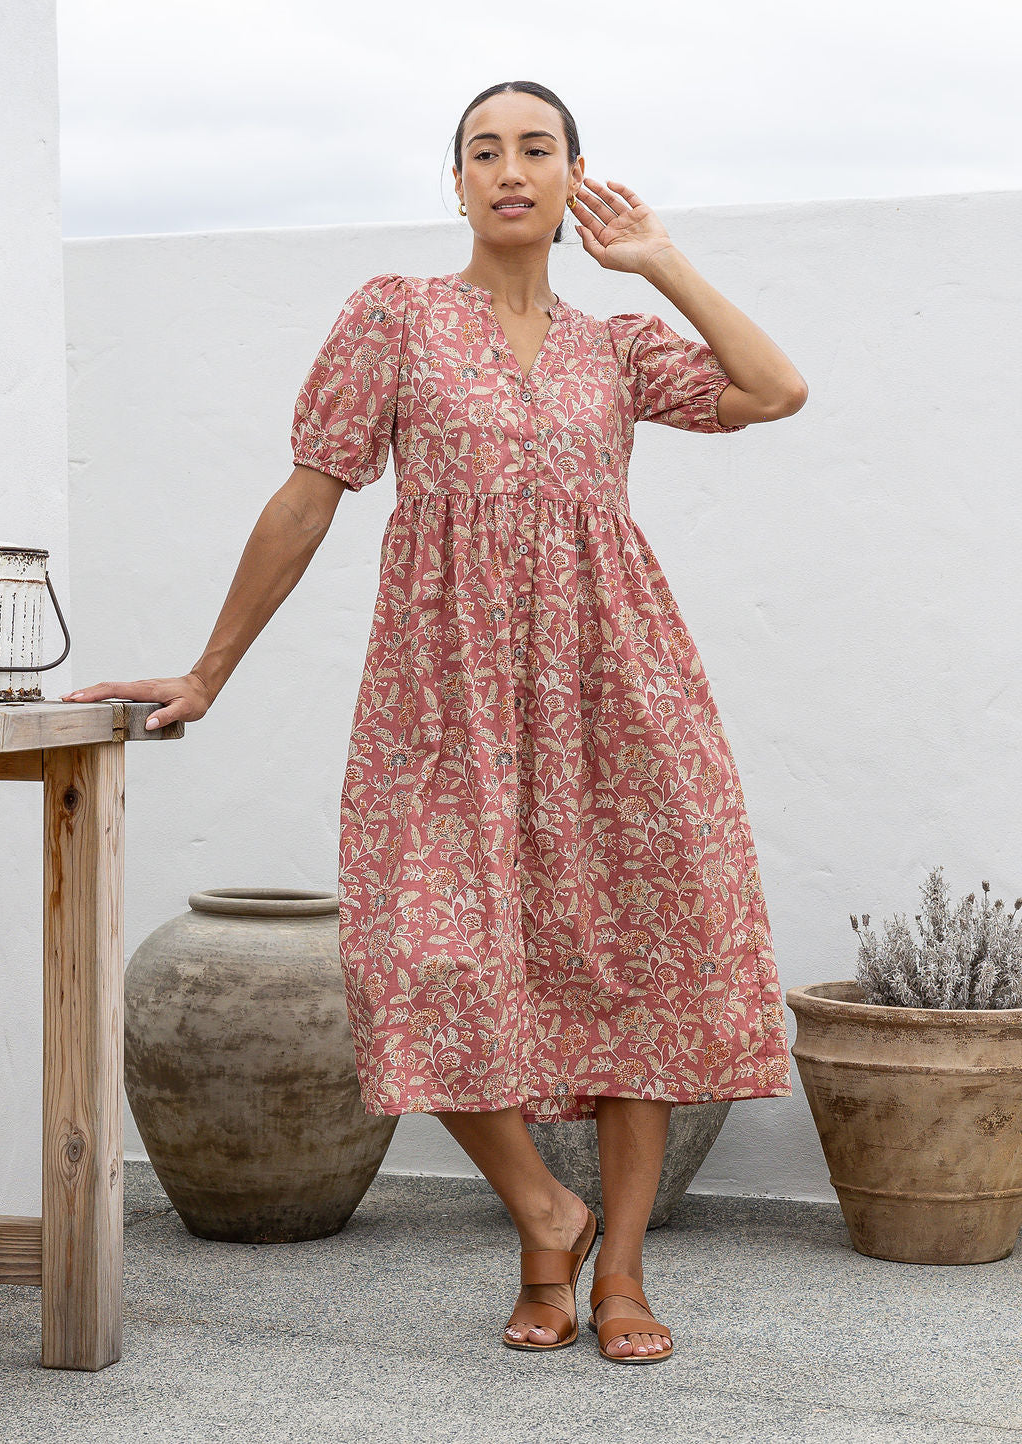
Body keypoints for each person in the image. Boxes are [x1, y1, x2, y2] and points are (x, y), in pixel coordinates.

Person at [62, 79, 807, 1364]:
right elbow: (310, 495)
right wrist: (210, 670)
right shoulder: (395, 318)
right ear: (452, 182)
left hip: (616, 688)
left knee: (628, 964)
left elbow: (776, 389)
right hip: (444, 695)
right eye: (484, 150)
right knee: (418, 956)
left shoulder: (619, 345)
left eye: (537, 149)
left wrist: (660, 260)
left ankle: (613, 1273)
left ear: (575, 177)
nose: (510, 169)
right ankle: (547, 1211)